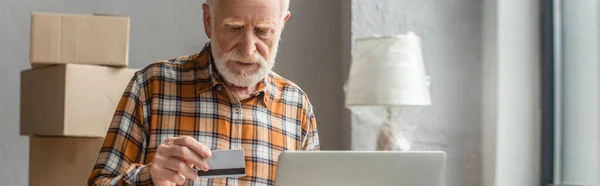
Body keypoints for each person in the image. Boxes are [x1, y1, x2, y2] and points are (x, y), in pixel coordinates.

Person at [87, 0, 320, 185]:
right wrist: (149, 177)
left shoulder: (297, 105)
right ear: (208, 20)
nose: (248, 49)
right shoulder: (151, 87)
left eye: (264, 31)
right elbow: (101, 182)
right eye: (234, 28)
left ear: (282, 25)